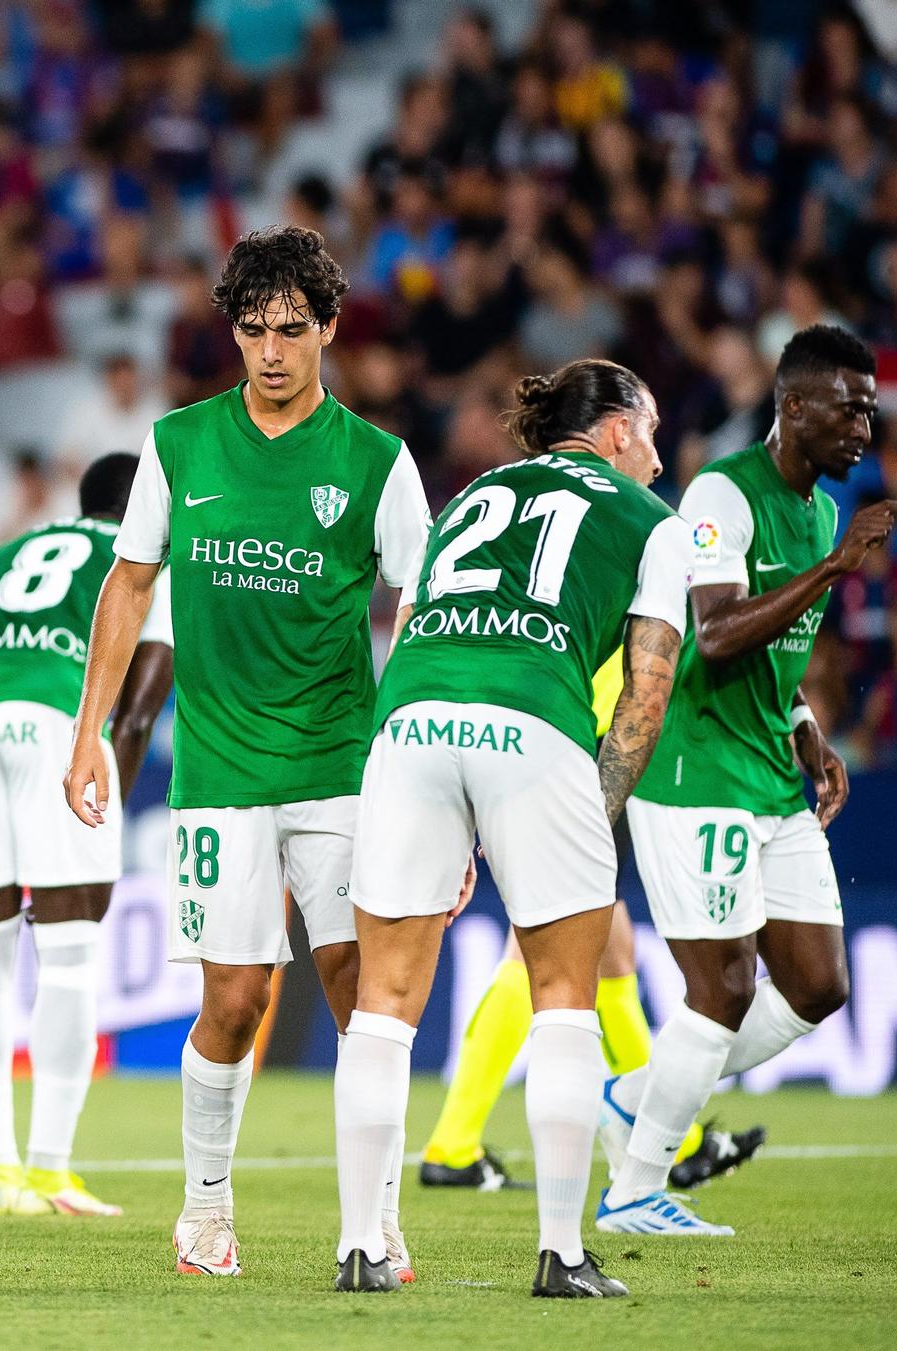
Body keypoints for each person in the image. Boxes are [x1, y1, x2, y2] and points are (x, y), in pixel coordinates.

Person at [62, 226, 433, 1281]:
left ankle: (375, 1220)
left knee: (363, 991)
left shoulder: (375, 461)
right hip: (220, 775)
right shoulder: (180, 444)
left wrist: (411, 763)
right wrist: (88, 732)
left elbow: (418, 606)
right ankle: (205, 1209)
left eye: (290, 330)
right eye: (250, 329)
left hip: (340, 768)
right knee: (234, 1000)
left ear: (326, 329)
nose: (269, 351)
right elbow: (128, 584)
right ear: (231, 330)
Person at [340, 359, 694, 1298]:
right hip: (533, 721)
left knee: (383, 1003)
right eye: (650, 430)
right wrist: (587, 809)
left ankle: (362, 1248)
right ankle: (561, 1253)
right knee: (565, 996)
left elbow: (411, 621)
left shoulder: (469, 496)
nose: (658, 456)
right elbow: (646, 694)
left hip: (409, 722)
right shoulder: (654, 523)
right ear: (615, 429)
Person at [602, 325, 897, 1236]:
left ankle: (639, 1093)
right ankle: (633, 1188)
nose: (864, 424)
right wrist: (834, 567)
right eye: (847, 406)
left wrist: (808, 725)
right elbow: (718, 633)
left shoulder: (819, 512)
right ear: (794, 406)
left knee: (819, 985)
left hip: (770, 773)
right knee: (726, 985)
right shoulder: (721, 495)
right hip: (695, 770)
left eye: (870, 407)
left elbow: (779, 657)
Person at [0, 452, 175, 1218]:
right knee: (67, 957)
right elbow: (134, 711)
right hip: (55, 727)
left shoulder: (0, 557)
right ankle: (50, 1169)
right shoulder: (142, 559)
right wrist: (102, 810)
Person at [418, 658, 766, 1196]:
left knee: (609, 944)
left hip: (571, 725)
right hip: (598, 734)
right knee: (543, 936)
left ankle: (677, 1138)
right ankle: (453, 1145)